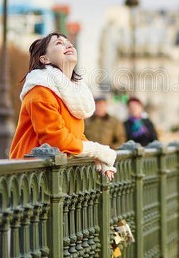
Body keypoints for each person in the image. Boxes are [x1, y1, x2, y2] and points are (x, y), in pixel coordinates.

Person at [9, 32, 116, 180]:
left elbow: (75, 137)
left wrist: (97, 157)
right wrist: (98, 151)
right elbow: (56, 139)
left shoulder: (71, 94)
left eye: (68, 42)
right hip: (29, 179)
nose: (68, 44)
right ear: (44, 59)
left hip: (52, 177)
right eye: (59, 43)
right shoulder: (39, 91)